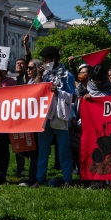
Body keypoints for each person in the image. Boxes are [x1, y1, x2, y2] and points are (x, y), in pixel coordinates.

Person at [33, 45, 75, 188]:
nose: (45, 63)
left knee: (64, 149)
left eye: (47, 60)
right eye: (43, 60)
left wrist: (57, 91)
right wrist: (39, 77)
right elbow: (36, 92)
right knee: (43, 148)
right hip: (45, 116)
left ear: (55, 59)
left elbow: (72, 96)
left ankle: (67, 178)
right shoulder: (44, 75)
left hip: (60, 116)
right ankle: (40, 177)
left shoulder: (67, 75)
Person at [17, 59, 44, 186]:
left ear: (38, 69)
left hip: (38, 121)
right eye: (27, 67)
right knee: (29, 150)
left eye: (31, 68)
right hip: (28, 120)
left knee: (35, 152)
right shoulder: (28, 81)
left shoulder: (40, 82)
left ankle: (35, 178)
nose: (28, 70)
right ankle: (33, 177)